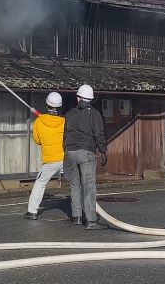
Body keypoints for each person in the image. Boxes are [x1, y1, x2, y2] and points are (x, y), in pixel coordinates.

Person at [64, 84, 108, 230]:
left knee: (75, 185)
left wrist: (66, 149)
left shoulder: (70, 113)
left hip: (70, 151)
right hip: (86, 152)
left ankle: (76, 216)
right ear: (91, 99)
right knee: (88, 186)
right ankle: (91, 220)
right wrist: (103, 150)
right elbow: (98, 134)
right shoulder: (94, 114)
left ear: (78, 98)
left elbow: (65, 134)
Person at [23, 92, 66, 220]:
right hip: (65, 159)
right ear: (60, 107)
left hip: (49, 160)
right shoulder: (65, 122)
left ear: (47, 105)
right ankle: (87, 212)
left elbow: (37, 140)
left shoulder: (39, 122)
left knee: (40, 183)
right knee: (78, 184)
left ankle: (32, 212)